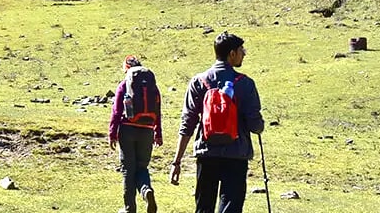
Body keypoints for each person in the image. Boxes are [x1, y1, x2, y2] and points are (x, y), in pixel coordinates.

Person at [170, 32, 264, 213]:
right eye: (241, 50)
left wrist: (177, 161)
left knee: (204, 207)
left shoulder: (198, 81)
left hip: (207, 154)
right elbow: (255, 126)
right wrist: (260, 125)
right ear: (232, 54)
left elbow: (188, 123)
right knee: (231, 206)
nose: (244, 53)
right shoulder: (245, 83)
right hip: (236, 154)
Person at [110, 56, 163, 213]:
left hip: (127, 130)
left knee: (128, 169)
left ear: (126, 68)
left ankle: (129, 209)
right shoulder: (152, 86)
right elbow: (158, 110)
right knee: (142, 167)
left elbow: (117, 111)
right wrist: (158, 133)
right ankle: (146, 191)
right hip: (147, 130)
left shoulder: (124, 85)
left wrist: (112, 133)